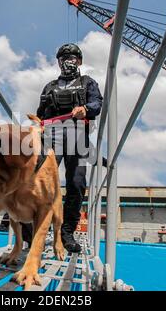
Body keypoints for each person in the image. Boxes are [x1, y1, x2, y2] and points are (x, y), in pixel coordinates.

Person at [36, 43, 103, 253]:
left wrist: (85, 109)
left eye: (72, 57)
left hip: (78, 135)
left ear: (80, 61)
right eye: (64, 57)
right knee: (40, 178)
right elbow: (40, 113)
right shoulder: (50, 86)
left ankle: (67, 233)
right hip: (51, 135)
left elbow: (97, 104)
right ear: (58, 62)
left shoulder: (88, 82)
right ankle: (34, 228)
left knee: (76, 183)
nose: (68, 60)